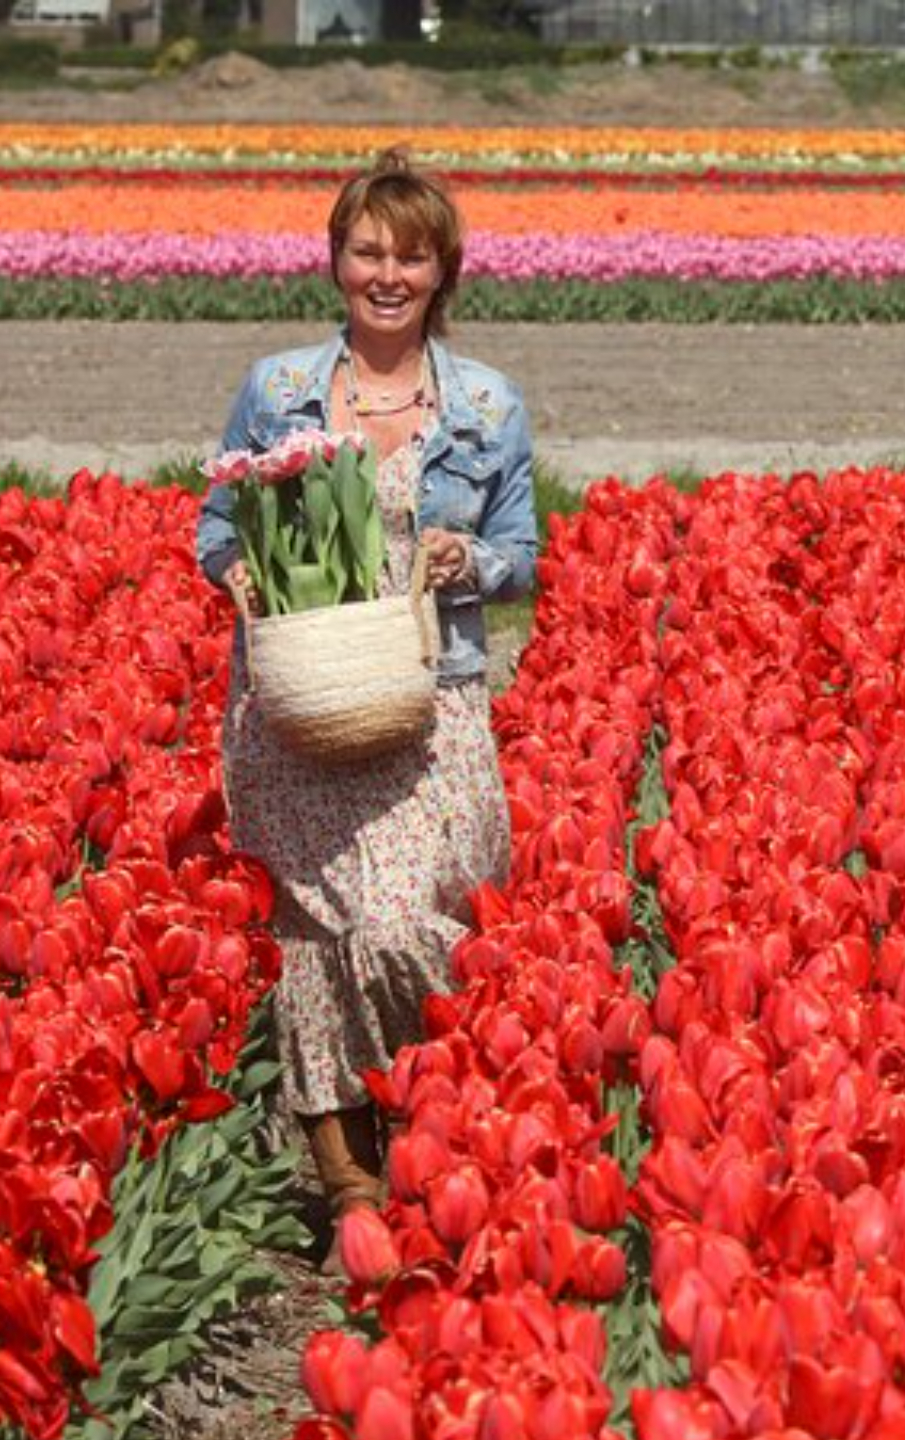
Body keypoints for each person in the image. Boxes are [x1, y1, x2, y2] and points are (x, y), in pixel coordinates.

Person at [195, 149, 537, 1251]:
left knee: (405, 925)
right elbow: (212, 526)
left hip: (430, 700)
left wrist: (466, 558)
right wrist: (236, 570)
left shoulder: (486, 403)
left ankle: (436, 1117)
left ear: (445, 271)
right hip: (298, 701)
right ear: (335, 259)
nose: (386, 273)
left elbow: (523, 551)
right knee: (315, 938)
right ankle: (350, 1183)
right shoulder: (279, 390)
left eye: (411, 254)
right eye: (366, 250)